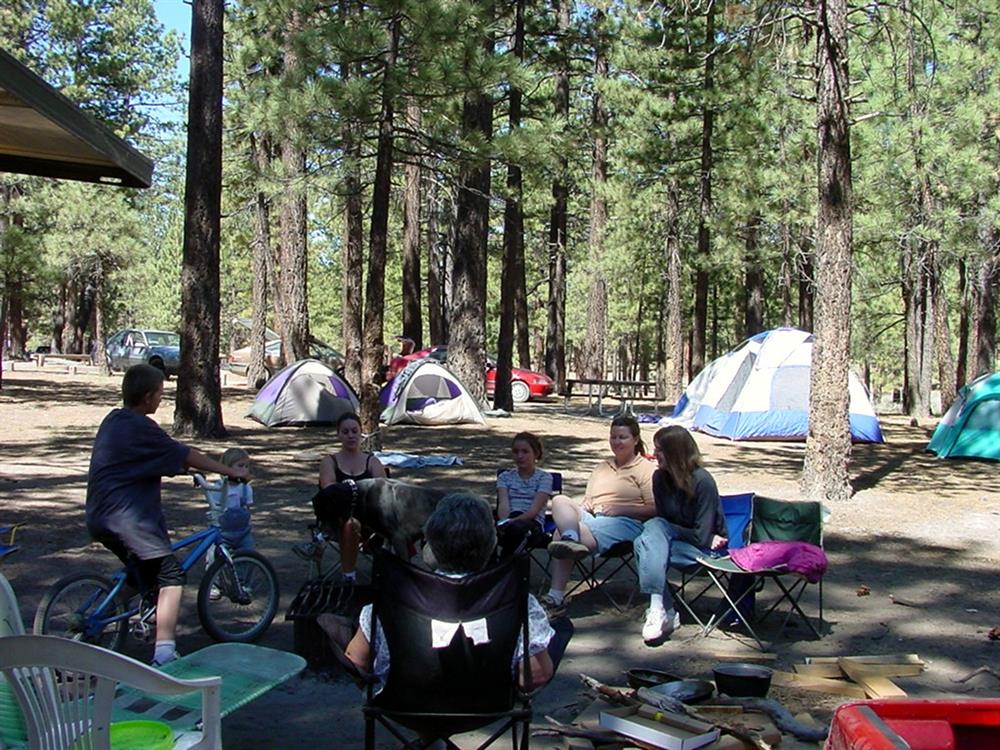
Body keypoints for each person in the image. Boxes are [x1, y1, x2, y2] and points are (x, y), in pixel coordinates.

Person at [86, 363, 249, 666]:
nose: (162, 399)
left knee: (142, 574)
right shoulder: (142, 426)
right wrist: (228, 470)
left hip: (99, 515)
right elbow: (182, 453)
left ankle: (100, 614)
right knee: (171, 575)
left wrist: (180, 468)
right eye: (161, 394)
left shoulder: (114, 421)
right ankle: (164, 651)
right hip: (128, 519)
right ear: (148, 397)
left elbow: (145, 458)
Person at [342, 494, 572, 693]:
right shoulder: (517, 601)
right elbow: (535, 676)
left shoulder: (392, 599)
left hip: (402, 702)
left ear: (430, 547)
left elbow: (356, 661)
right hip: (491, 704)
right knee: (561, 628)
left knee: (339, 627)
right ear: (490, 545)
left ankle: (429, 736)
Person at [540, 414, 678, 644]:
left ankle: (556, 595)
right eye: (613, 437)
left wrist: (620, 508)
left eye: (622, 437)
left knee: (559, 534)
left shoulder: (646, 469)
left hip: (626, 524)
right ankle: (571, 537)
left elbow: (655, 509)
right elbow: (588, 500)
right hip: (592, 518)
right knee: (561, 500)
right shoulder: (601, 467)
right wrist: (585, 506)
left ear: (635, 439)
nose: (616, 442)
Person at [645, 425, 728, 638]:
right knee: (648, 540)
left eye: (660, 450)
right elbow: (666, 523)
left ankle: (662, 609)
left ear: (676, 452)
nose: (654, 455)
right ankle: (662, 610)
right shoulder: (659, 479)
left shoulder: (703, 482)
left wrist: (671, 530)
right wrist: (669, 530)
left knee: (647, 541)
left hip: (706, 553)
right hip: (675, 546)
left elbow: (700, 537)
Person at [316, 412, 387, 583]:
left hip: (371, 518)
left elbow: (384, 487)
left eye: (354, 431)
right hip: (336, 518)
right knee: (350, 523)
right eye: (345, 432)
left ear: (361, 433)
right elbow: (328, 488)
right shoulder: (330, 461)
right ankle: (349, 576)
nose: (350, 436)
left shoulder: (372, 461)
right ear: (338, 434)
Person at [496, 432, 553, 556]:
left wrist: (512, 522)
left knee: (516, 530)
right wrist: (505, 521)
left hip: (531, 522)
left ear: (535, 454)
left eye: (525, 452)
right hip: (509, 517)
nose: (520, 456)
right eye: (516, 452)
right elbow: (503, 503)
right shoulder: (505, 477)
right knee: (480, 521)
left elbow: (533, 511)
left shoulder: (544, 478)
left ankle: (503, 567)